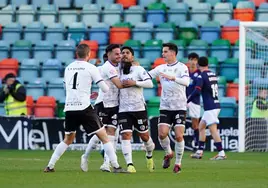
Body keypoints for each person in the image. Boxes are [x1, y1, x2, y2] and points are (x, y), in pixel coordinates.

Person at [44, 44, 126, 173]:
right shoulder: (91, 67)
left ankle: (50, 166)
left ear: (77, 54)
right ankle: (116, 166)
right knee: (104, 137)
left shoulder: (68, 68)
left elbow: (66, 87)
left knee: (68, 139)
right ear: (89, 55)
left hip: (70, 107)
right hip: (84, 107)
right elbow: (105, 89)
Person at [81, 44, 124, 172]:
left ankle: (106, 164)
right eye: (116, 54)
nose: (119, 56)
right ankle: (85, 156)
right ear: (109, 54)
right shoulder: (107, 67)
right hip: (103, 105)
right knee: (100, 135)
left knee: (111, 134)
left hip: (115, 105)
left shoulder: (119, 67)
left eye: (120, 54)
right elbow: (118, 84)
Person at [148, 43, 190, 174]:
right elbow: (146, 76)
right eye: (163, 52)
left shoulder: (182, 67)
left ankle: (178, 163)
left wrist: (173, 78)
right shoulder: (160, 68)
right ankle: (168, 153)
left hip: (179, 107)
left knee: (178, 136)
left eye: (165, 52)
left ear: (173, 53)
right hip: (165, 107)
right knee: (162, 134)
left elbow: (186, 82)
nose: (163, 54)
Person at [118, 46, 155, 173]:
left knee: (144, 136)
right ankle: (130, 165)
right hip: (123, 109)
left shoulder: (138, 69)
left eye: (127, 53)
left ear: (132, 56)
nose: (124, 55)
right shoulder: (118, 70)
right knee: (126, 134)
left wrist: (136, 83)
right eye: (122, 53)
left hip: (139, 108)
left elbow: (150, 84)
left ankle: (149, 154)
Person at [188, 56, 226, 160]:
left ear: (198, 65)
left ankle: (221, 153)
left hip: (210, 107)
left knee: (213, 129)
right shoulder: (213, 74)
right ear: (207, 64)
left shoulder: (202, 76)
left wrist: (188, 99)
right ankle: (199, 151)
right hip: (215, 104)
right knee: (201, 127)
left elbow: (197, 91)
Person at [186, 53, 201, 150]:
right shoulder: (185, 73)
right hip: (182, 100)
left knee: (195, 124)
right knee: (179, 121)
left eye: (195, 60)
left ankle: (197, 143)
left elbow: (198, 89)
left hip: (194, 101)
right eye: (191, 59)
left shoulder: (199, 74)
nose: (193, 62)